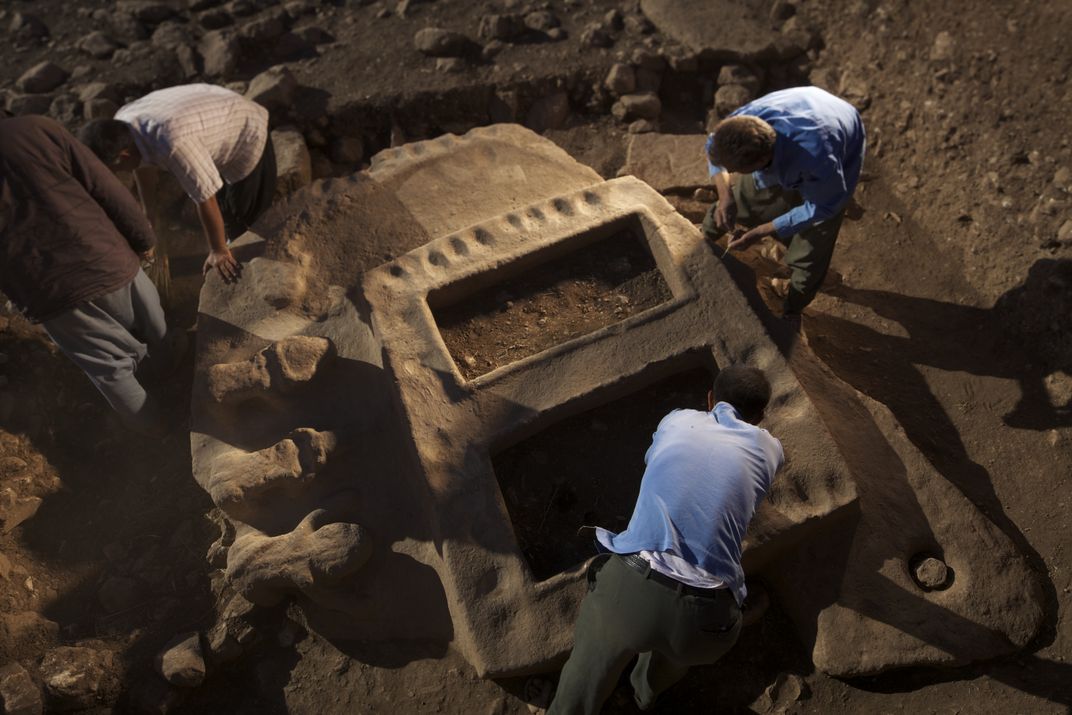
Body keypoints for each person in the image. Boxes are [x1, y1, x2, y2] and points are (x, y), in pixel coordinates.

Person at [548, 365, 784, 715]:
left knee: (588, 667)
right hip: (706, 625)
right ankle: (642, 694)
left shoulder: (677, 421)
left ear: (710, 398)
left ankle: (573, 706)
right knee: (677, 655)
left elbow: (653, 461)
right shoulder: (771, 450)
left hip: (632, 593)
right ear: (762, 415)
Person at [0, 115, 175, 435]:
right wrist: (143, 240)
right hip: (107, 256)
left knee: (113, 372)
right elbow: (103, 186)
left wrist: (22, 298)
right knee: (159, 331)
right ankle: (182, 387)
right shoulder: (38, 128)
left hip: (51, 291)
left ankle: (160, 440)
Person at [78, 83, 276, 283]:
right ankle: (228, 242)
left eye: (112, 168)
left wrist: (218, 250)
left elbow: (206, 196)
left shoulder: (171, 142)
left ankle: (259, 268)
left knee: (243, 217)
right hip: (210, 117)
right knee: (226, 209)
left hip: (245, 129)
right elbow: (141, 166)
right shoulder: (122, 126)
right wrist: (150, 214)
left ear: (123, 155)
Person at [703, 86, 866, 329]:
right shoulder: (746, 122)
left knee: (810, 250)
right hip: (806, 105)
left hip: (837, 137)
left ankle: (792, 307)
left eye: (736, 169)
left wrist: (763, 230)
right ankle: (704, 240)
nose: (733, 173)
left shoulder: (818, 158)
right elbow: (712, 146)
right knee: (743, 197)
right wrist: (725, 196)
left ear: (760, 162)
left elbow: (822, 207)